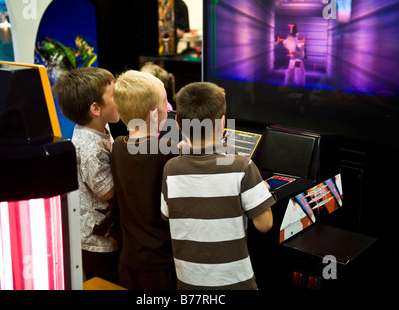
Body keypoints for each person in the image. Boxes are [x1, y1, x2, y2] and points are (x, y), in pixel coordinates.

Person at [161, 82, 275, 290]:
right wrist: (258, 190)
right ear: (222, 123)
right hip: (235, 283)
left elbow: (168, 213)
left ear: (177, 123)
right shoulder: (242, 166)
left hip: (188, 283)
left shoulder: (170, 169)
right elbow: (264, 224)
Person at [111, 70, 179, 290]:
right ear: (154, 114)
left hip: (128, 258)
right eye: (165, 103)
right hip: (160, 262)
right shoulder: (168, 150)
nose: (169, 107)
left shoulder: (117, 146)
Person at [52, 67, 121, 283]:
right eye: (115, 94)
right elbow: (107, 192)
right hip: (97, 243)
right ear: (96, 108)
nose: (120, 97)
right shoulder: (90, 147)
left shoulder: (100, 128)